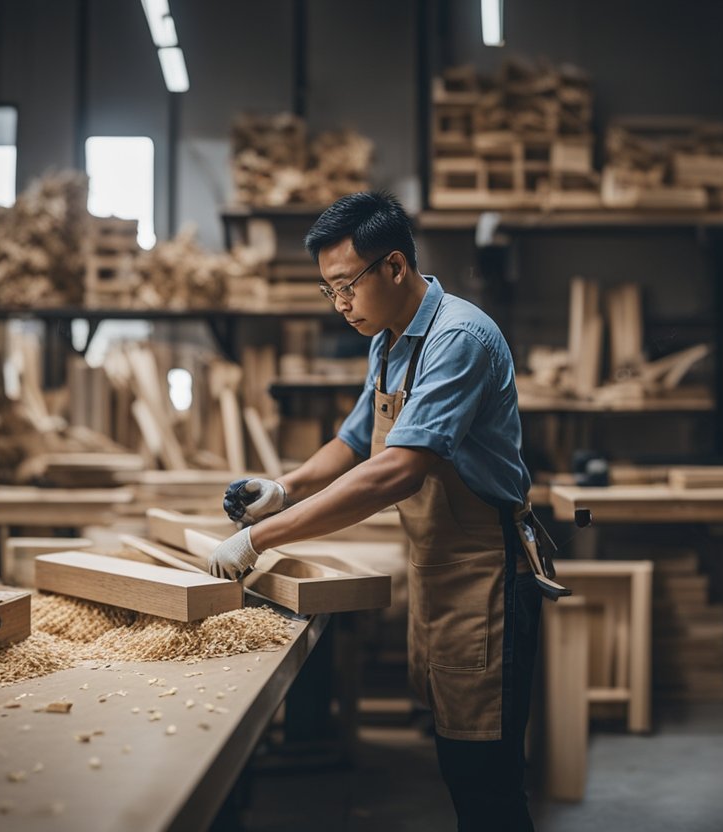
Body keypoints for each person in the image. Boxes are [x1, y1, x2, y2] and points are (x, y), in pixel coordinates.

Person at [208, 190, 549, 830]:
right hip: (439, 566)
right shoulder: (390, 341)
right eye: (328, 291)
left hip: (488, 575)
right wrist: (281, 488)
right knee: (456, 760)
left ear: (394, 266)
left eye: (346, 286)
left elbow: (395, 470)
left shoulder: (459, 338)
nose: (340, 305)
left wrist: (260, 542)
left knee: (488, 785)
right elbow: (355, 439)